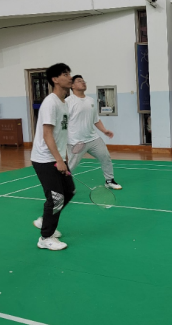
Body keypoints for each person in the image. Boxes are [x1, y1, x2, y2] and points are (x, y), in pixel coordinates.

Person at [31, 63, 75, 251]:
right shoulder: (50, 102)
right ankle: (45, 237)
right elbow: (47, 134)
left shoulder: (63, 103)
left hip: (56, 157)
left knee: (69, 191)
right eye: (65, 74)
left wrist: (64, 157)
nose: (70, 77)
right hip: (44, 158)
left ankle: (45, 220)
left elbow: (60, 134)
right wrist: (58, 159)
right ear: (55, 79)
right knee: (56, 198)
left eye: (69, 73)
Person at [66, 75, 122, 190]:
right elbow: (62, 122)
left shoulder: (90, 100)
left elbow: (95, 119)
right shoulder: (68, 102)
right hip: (76, 141)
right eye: (79, 81)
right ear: (72, 86)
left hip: (93, 138)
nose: (83, 82)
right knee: (70, 166)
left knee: (105, 157)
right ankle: (61, 185)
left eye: (83, 81)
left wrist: (104, 131)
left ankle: (109, 180)